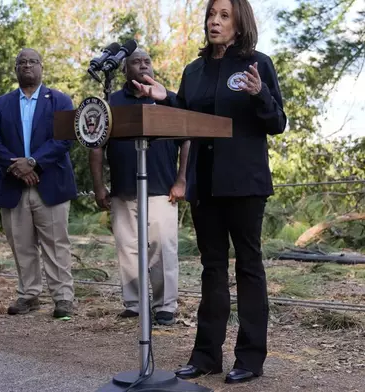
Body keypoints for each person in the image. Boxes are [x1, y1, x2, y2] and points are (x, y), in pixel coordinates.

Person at [132, 0, 287, 384]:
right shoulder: (195, 70)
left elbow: (277, 122)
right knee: (212, 269)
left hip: (245, 183)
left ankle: (250, 358)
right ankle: (206, 356)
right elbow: (187, 115)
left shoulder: (257, 64)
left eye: (223, 16)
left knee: (248, 267)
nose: (214, 22)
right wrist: (164, 96)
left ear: (239, 23)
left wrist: (259, 94)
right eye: (211, 16)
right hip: (206, 183)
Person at [89, 49, 190, 326]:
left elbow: (186, 141)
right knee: (127, 249)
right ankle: (134, 304)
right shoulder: (112, 102)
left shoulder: (167, 99)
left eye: (147, 61)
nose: (143, 65)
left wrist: (182, 180)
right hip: (123, 191)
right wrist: (99, 187)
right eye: (136, 61)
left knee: (163, 249)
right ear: (124, 70)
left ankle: (165, 306)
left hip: (162, 189)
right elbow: (96, 147)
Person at [0, 48, 77, 320]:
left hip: (51, 185)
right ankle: (29, 296)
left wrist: (34, 162)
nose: (27, 66)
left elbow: (64, 140)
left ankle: (63, 299)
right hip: (14, 186)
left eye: (32, 61)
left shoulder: (60, 100)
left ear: (41, 67)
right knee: (21, 244)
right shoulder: (0, 105)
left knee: (56, 244)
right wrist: (18, 168)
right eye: (21, 62)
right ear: (15, 69)